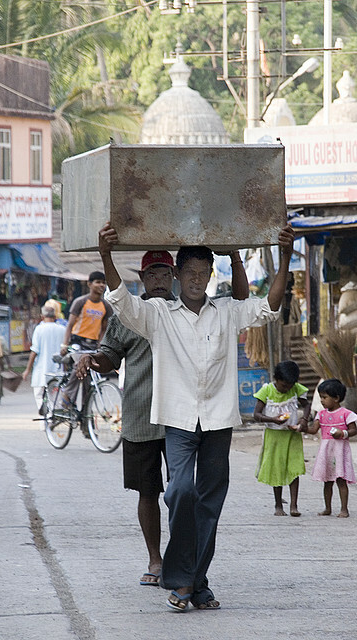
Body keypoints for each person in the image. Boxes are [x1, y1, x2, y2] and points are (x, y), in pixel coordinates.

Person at [97, 220, 294, 612]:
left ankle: (192, 583)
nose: (196, 280)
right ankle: (188, 579)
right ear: (177, 275)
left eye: (204, 274)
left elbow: (269, 307)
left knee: (209, 503)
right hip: (179, 420)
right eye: (190, 273)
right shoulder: (158, 313)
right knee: (179, 492)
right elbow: (121, 300)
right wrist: (106, 254)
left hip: (219, 421)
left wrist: (286, 256)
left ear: (210, 275)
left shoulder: (226, 311)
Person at [77, 248, 249, 588]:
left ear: (175, 276)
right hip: (142, 415)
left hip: (184, 416)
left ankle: (185, 566)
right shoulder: (133, 314)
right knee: (148, 492)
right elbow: (110, 357)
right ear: (142, 279)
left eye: (163, 274)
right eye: (151, 275)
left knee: (182, 492)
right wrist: (93, 359)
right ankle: (157, 559)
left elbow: (242, 306)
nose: (158, 280)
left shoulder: (184, 310)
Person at [253, 360, 311, 517]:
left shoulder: (296, 389)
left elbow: (306, 405)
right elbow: (256, 415)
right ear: (276, 379)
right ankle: (278, 505)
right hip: (274, 436)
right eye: (284, 385)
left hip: (292, 435)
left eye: (290, 386)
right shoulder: (267, 391)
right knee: (277, 469)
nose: (287, 389)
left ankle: (294, 505)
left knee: (294, 468)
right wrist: (273, 420)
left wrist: (304, 420)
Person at [299, 378, 357, 518]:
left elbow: (353, 430)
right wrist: (302, 428)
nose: (322, 401)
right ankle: (328, 508)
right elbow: (314, 430)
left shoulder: (346, 414)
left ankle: (344, 509)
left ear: (336, 398)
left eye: (324, 397)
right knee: (327, 481)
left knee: (341, 480)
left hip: (339, 451)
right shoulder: (321, 414)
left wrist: (342, 433)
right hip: (326, 451)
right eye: (321, 397)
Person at [60, 271, 113, 406]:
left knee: (89, 380)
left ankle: (85, 416)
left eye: (103, 282)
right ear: (90, 284)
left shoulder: (106, 306)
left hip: (93, 345)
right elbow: (70, 325)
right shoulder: (81, 302)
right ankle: (67, 396)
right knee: (79, 366)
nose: (101, 285)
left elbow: (104, 329)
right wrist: (64, 344)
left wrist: (101, 345)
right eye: (98, 282)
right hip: (77, 342)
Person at [22, 304, 66, 413]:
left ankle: (46, 421)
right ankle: (54, 418)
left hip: (41, 371)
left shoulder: (39, 329)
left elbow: (34, 351)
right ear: (55, 316)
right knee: (55, 397)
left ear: (42, 316)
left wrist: (27, 369)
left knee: (39, 396)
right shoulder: (62, 329)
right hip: (58, 371)